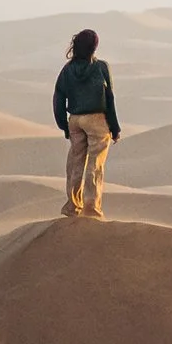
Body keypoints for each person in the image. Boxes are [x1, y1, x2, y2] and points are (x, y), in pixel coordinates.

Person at [53, 29, 120, 219]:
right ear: (94, 47)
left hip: (75, 119)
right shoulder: (101, 67)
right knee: (94, 164)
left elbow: (58, 98)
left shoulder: (67, 70)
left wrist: (64, 126)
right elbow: (109, 98)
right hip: (96, 119)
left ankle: (72, 206)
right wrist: (114, 127)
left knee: (75, 162)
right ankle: (91, 208)